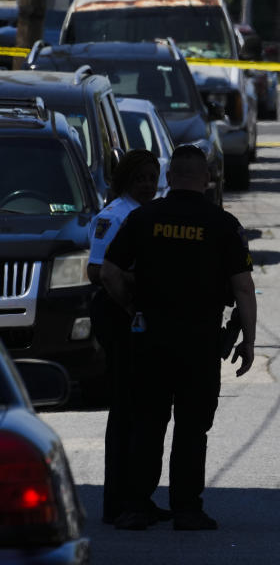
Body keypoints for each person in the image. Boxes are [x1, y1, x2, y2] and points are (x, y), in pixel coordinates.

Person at [100, 144, 257, 531]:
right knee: (192, 427)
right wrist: (249, 341)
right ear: (207, 180)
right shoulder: (223, 224)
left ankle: (137, 506)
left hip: (149, 338)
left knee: (148, 423)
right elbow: (243, 289)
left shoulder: (143, 218)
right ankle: (187, 509)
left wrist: (130, 308)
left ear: (169, 178)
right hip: (199, 342)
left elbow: (108, 273)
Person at [87, 149, 162, 525]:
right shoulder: (114, 215)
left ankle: (138, 496)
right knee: (124, 411)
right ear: (125, 182)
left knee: (142, 411)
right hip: (118, 315)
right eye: (140, 179)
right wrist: (141, 280)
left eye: (153, 177)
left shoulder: (149, 213)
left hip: (137, 317)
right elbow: (96, 270)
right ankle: (117, 501)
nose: (148, 185)